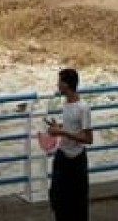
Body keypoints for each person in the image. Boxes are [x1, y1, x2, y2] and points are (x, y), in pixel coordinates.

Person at [47, 68, 93, 221]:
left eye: (59, 81)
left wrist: (62, 133)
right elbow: (72, 128)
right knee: (57, 197)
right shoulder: (65, 103)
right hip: (62, 156)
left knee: (78, 202)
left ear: (66, 84)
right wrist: (58, 127)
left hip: (77, 159)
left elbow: (88, 138)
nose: (57, 84)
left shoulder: (83, 108)